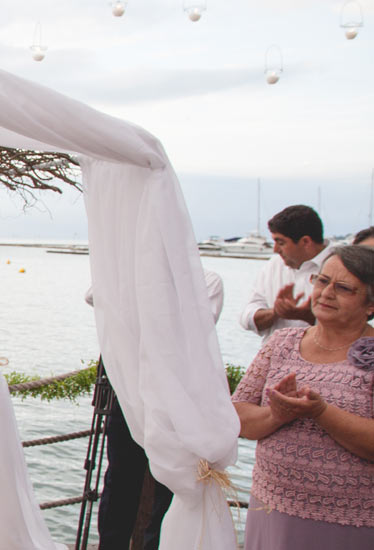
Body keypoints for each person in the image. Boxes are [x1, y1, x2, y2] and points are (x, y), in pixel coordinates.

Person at [232, 245, 374, 549]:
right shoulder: (282, 342)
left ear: (370, 305)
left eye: (344, 288)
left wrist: (321, 412)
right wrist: (277, 415)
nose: (326, 293)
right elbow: (239, 417)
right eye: (322, 281)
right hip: (270, 508)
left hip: (349, 521)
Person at [87, 272, 224, 550]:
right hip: (129, 395)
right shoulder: (130, 272)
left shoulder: (206, 279)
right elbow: (93, 294)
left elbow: (194, 330)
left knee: (172, 485)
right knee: (120, 480)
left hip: (178, 402)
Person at [240, 205, 331, 341]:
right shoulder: (274, 264)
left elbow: (353, 324)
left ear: (306, 241)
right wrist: (275, 313)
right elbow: (246, 318)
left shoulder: (341, 266)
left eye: (281, 243)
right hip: (273, 358)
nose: (275, 250)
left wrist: (309, 317)